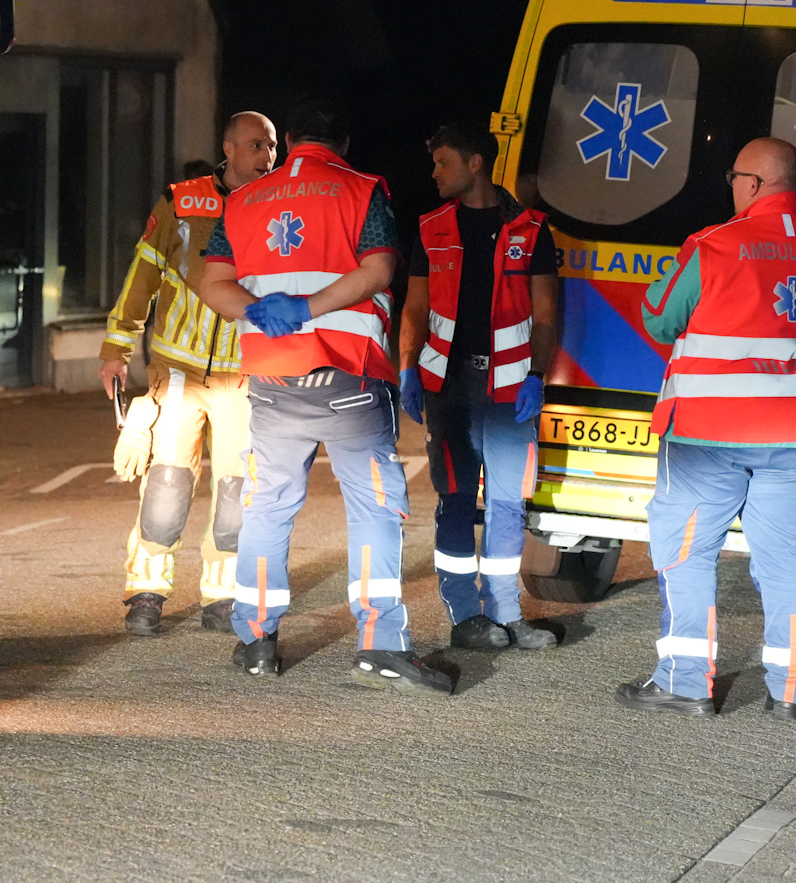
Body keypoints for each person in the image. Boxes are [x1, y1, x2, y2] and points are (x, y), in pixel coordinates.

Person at [199, 100, 452, 694]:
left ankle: (257, 640)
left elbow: (212, 283)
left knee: (268, 507)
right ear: (342, 140)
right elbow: (380, 270)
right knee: (373, 510)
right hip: (349, 380)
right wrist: (307, 310)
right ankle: (381, 645)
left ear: (286, 141)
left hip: (272, 381)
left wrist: (260, 310)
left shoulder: (242, 201)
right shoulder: (360, 190)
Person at [616, 138, 796, 720]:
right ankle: (793, 689)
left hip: (709, 435)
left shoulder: (712, 246)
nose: (730, 185)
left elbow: (660, 319)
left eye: (734, 176)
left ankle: (685, 682)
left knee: (687, 554)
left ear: (753, 184)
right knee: (785, 560)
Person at [100, 112, 279, 634]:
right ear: (227, 147)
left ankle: (222, 597)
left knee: (236, 491)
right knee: (166, 484)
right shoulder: (182, 200)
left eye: (270, 147)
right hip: (177, 371)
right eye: (254, 146)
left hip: (246, 375)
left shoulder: (282, 205)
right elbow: (143, 275)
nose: (265, 156)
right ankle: (147, 593)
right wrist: (117, 347)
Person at [397, 119, 560, 650]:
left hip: (511, 387)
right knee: (457, 500)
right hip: (449, 387)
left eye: (444, 162)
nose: (435, 173)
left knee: (510, 503)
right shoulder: (430, 227)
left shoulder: (531, 229)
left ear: (475, 163)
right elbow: (416, 306)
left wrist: (537, 376)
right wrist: (407, 368)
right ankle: (466, 615)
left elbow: (545, 314)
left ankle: (507, 614)